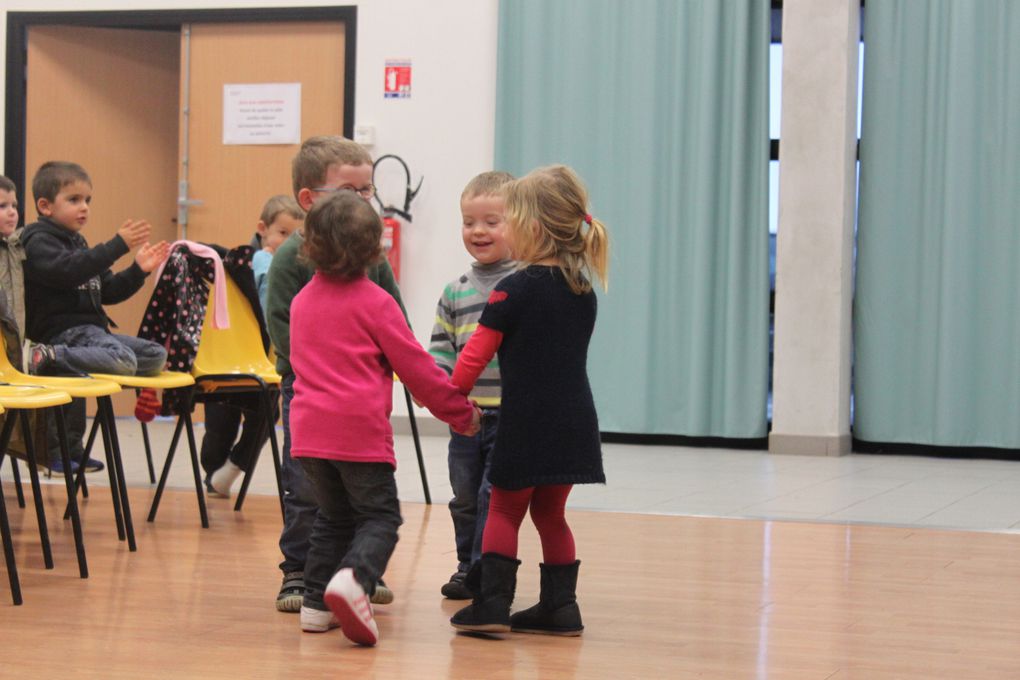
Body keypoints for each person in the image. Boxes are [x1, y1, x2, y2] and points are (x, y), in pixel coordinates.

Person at [290, 191, 480, 646]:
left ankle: (316, 605)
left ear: (309, 244)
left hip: (308, 434)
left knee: (332, 519)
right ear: (375, 249)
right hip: (357, 434)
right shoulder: (376, 302)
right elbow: (415, 368)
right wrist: (459, 414)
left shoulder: (302, 301)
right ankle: (354, 582)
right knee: (380, 517)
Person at [448, 165, 609, 637]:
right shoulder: (583, 289)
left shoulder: (512, 289)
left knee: (503, 509)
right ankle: (561, 608)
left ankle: (492, 603)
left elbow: (473, 358)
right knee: (551, 514)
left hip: (526, 422)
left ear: (532, 227)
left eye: (509, 219)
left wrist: (448, 395)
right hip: (576, 422)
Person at [266, 136, 406, 613]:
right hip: (307, 389)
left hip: (361, 394)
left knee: (361, 489)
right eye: (352, 191)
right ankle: (300, 573)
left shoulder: (374, 258)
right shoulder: (290, 259)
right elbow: (282, 328)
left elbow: (396, 323)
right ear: (309, 200)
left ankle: (356, 572)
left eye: (368, 191)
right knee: (308, 489)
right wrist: (327, 371)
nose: (364, 201)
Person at [21, 161, 170, 471]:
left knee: (156, 355)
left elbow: (109, 291)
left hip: (90, 335)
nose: (84, 207)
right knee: (123, 361)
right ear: (45, 206)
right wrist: (117, 246)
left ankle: (72, 449)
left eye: (87, 200)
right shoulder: (37, 241)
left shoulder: (79, 243)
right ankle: (44, 357)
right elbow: (66, 272)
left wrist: (138, 270)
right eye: (74, 200)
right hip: (63, 334)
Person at [428, 171, 516, 600]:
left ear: (519, 222)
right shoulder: (455, 291)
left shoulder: (524, 286)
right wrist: (444, 394)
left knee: (490, 497)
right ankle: (466, 565)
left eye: (491, 221)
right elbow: (440, 349)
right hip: (466, 419)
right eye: (468, 222)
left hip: (511, 415)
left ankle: (485, 570)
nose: (478, 231)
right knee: (463, 496)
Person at [201, 194, 303, 498]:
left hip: (269, 359)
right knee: (220, 424)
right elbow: (267, 303)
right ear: (263, 229)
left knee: (266, 416)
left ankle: (230, 469)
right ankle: (214, 471)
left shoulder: (297, 264)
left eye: (294, 236)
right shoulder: (253, 260)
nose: (287, 243)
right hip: (228, 358)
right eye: (282, 233)